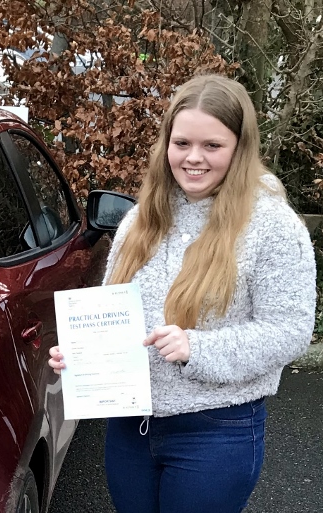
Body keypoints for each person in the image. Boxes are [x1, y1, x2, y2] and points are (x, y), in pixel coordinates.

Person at [48, 74, 317, 513]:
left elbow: (291, 330)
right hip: (130, 428)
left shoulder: (272, 226)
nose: (194, 158)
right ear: (166, 144)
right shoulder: (140, 220)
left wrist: (199, 347)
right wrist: (80, 354)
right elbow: (110, 311)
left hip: (216, 430)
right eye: (182, 143)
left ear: (239, 148)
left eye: (212, 145)